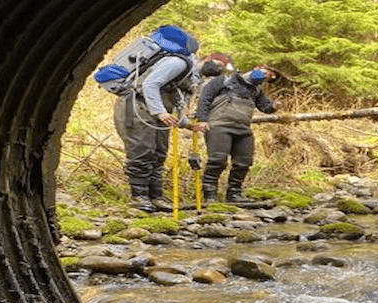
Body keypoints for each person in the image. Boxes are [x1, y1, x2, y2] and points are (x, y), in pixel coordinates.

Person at [113, 26, 200, 212]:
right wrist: (160, 112)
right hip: (136, 108)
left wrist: (185, 123)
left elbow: (175, 93)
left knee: (159, 153)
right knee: (142, 152)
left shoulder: (184, 67)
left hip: (154, 109)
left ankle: (156, 197)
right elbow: (150, 84)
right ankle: (139, 197)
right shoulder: (178, 63)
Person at [191, 66, 282, 203]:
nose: (266, 75)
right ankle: (210, 196)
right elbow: (205, 99)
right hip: (219, 127)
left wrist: (274, 107)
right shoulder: (223, 81)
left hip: (243, 130)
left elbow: (265, 107)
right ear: (257, 68)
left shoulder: (256, 90)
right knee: (218, 161)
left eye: (270, 76)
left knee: (243, 163)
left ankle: (234, 195)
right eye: (266, 72)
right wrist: (202, 120)